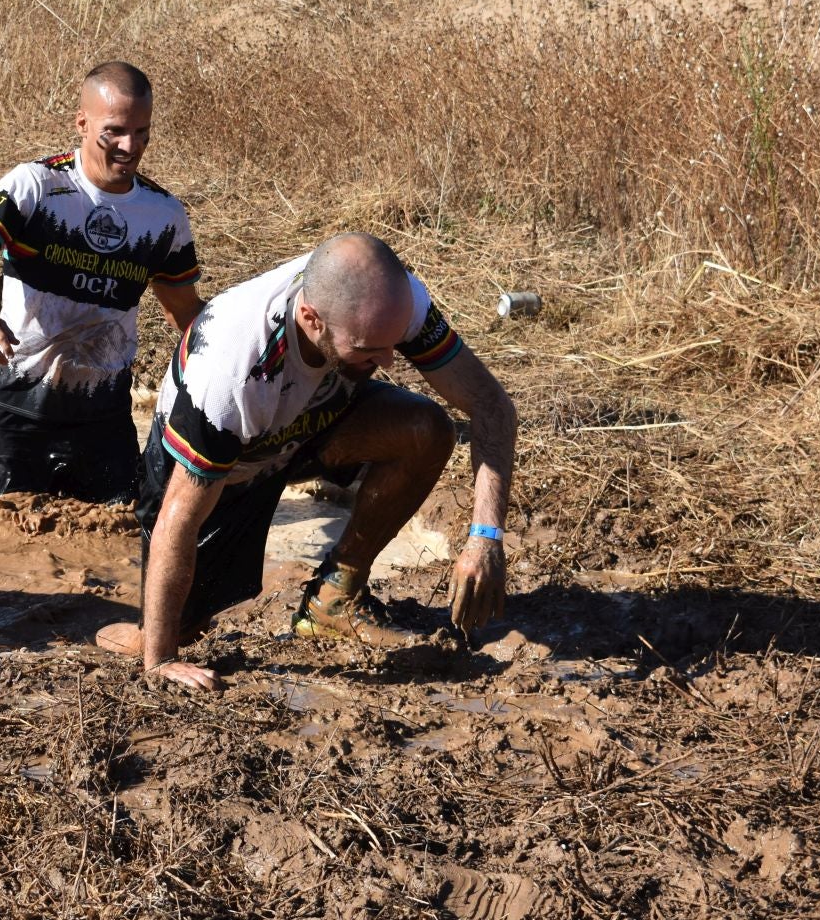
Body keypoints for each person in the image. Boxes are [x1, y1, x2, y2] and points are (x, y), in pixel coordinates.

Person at [97, 232, 518, 691]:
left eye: (393, 344)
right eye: (368, 350)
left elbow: (491, 406)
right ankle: (114, 629)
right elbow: (178, 518)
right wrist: (159, 662)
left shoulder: (392, 302)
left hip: (308, 423)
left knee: (425, 430)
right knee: (172, 633)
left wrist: (485, 536)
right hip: (227, 462)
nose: (390, 362)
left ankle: (333, 600)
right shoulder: (232, 367)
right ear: (311, 319)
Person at [0, 62, 203, 503]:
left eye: (142, 132)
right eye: (114, 131)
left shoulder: (164, 215)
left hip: (104, 419)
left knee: (116, 549)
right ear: (82, 122)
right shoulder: (35, 185)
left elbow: (186, 314)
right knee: (0, 546)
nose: (130, 146)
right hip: (18, 412)